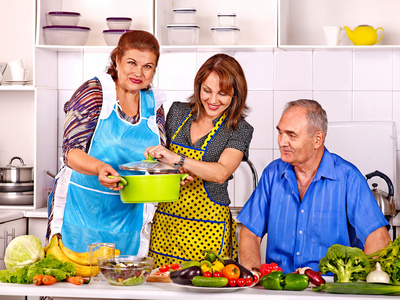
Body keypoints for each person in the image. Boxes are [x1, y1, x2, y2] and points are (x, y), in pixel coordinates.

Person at [46, 30, 167, 256]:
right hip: (81, 207)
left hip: (128, 214)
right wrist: (99, 168)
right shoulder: (93, 93)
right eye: (132, 63)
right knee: (73, 280)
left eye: (147, 66)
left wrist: (170, 175)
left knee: (124, 284)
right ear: (117, 60)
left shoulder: (154, 104)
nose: (138, 73)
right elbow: (70, 153)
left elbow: (156, 157)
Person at [237, 99, 391, 274]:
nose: (281, 141)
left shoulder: (348, 177)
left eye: (291, 135)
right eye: (280, 133)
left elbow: (378, 237)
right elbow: (250, 233)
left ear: (317, 139)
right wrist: (254, 273)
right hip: (279, 287)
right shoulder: (272, 174)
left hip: (329, 290)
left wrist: (359, 283)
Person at [144, 53, 254, 267]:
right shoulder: (177, 112)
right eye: (207, 91)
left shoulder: (239, 129)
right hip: (166, 224)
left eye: (222, 94)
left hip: (209, 230)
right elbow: (162, 161)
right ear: (198, 86)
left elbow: (221, 173)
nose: (213, 100)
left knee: (207, 290)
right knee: (160, 290)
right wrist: (161, 163)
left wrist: (178, 159)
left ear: (235, 95)